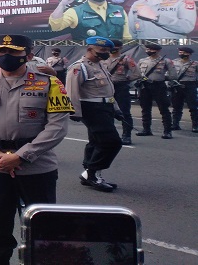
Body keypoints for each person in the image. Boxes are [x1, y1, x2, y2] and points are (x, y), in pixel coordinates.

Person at [0, 34, 73, 265]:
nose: (6, 57)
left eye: (13, 52)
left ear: (28, 56)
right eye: (1, 52)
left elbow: (57, 126)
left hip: (36, 166)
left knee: (42, 224)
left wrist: (22, 156)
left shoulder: (50, 83)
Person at [65, 37, 123, 193]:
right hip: (92, 108)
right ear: (90, 49)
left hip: (105, 107)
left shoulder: (101, 65)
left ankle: (88, 174)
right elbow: (72, 90)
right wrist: (74, 111)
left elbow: (108, 90)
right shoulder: (79, 67)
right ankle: (93, 173)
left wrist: (116, 109)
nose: (105, 53)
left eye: (107, 51)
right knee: (111, 142)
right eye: (102, 50)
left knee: (96, 141)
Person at [49, 0, 132, 41]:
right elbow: (55, 26)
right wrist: (62, 4)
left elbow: (127, 37)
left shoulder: (119, 10)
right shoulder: (75, 12)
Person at [103, 40, 140, 145]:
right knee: (107, 112)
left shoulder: (126, 59)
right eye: (112, 47)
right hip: (107, 87)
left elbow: (137, 74)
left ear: (121, 48)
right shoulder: (103, 59)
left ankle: (126, 135)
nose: (114, 49)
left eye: (116, 47)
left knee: (124, 112)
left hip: (121, 87)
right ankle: (110, 135)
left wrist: (127, 79)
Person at [135, 43, 176, 139]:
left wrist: (162, 78)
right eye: (147, 49)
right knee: (145, 108)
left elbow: (173, 75)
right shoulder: (142, 61)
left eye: (150, 49)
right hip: (145, 86)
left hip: (159, 85)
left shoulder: (166, 61)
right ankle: (146, 129)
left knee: (164, 108)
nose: (147, 51)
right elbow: (137, 73)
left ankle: (167, 131)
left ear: (157, 51)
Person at [170, 47, 198, 133]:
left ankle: (195, 125)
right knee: (176, 106)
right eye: (180, 52)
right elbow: (169, 74)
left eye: (183, 52)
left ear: (188, 54)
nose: (181, 53)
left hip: (190, 85)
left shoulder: (195, 64)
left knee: (193, 107)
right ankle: (175, 124)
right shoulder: (174, 62)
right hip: (177, 85)